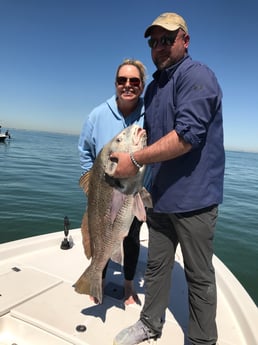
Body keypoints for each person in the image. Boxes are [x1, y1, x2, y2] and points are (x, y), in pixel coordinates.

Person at [111, 12, 225, 345]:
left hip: (195, 200)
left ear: (184, 41)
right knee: (158, 267)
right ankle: (149, 324)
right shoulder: (155, 87)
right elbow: (156, 133)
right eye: (154, 41)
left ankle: (202, 340)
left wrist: (133, 158)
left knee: (199, 276)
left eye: (167, 39)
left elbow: (187, 136)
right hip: (159, 198)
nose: (159, 47)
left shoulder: (198, 76)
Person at [78, 58, 147, 305]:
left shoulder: (149, 112)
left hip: (133, 189)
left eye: (134, 81)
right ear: (115, 83)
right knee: (100, 234)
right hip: (102, 191)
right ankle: (98, 279)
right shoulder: (97, 114)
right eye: (122, 80)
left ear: (142, 84)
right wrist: (93, 182)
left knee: (131, 237)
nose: (127, 85)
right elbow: (85, 150)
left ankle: (129, 285)